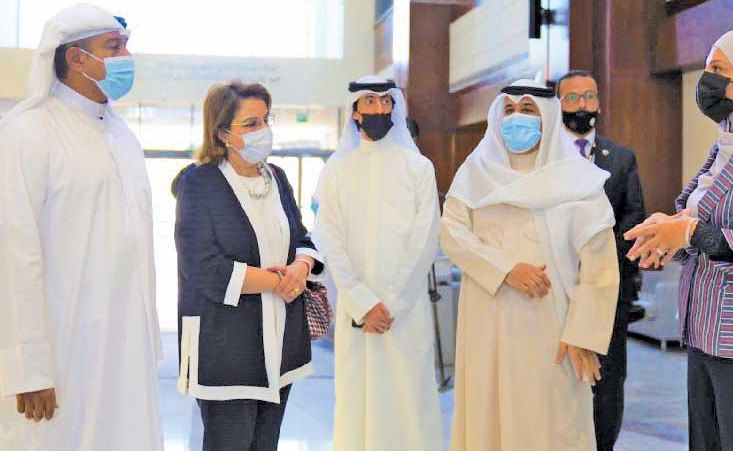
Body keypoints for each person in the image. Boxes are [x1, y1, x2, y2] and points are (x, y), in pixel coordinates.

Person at [625, 26, 733, 451]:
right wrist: (670, 234)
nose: (707, 82)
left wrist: (694, 233)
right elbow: (704, 222)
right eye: (707, 69)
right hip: (707, 336)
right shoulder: (731, 142)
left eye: (719, 70)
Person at [0, 4, 163, 450]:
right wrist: (27, 368)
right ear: (75, 58)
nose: (126, 57)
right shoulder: (26, 132)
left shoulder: (121, 135)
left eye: (126, 46)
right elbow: (13, 254)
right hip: (61, 347)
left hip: (125, 343)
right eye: (114, 47)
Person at [441, 78, 620, 450]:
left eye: (527, 109)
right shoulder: (475, 171)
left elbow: (600, 266)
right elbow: (452, 234)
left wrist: (584, 334)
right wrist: (506, 269)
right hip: (488, 323)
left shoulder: (578, 179)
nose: (516, 118)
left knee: (550, 425)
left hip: (552, 328)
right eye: (508, 110)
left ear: (548, 117)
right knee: (488, 420)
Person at [172, 81, 324, 451]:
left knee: (265, 443)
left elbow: (300, 237)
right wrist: (276, 281)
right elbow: (203, 265)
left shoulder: (276, 177)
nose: (264, 130)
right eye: (252, 123)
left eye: (266, 120)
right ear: (223, 133)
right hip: (227, 347)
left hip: (281, 342)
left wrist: (301, 267)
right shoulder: (199, 182)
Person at [314, 76, 443, 451]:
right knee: (358, 404)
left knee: (408, 404)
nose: (378, 108)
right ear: (355, 112)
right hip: (357, 313)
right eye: (369, 101)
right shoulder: (336, 171)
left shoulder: (418, 168)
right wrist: (362, 302)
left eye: (385, 101)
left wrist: (391, 303)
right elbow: (331, 241)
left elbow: (425, 239)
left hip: (405, 312)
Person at [558, 70, 645, 451]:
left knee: (607, 381)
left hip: (609, 292)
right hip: (556, 288)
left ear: (599, 103)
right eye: (572, 98)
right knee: (557, 377)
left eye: (589, 97)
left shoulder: (621, 158)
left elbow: (633, 221)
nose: (582, 106)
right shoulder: (543, 158)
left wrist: (598, 266)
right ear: (558, 105)